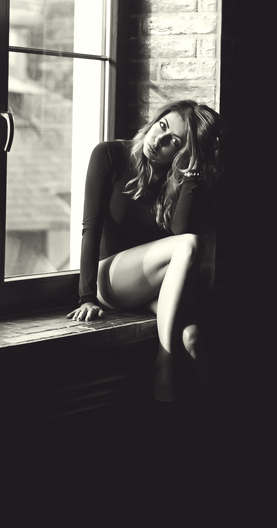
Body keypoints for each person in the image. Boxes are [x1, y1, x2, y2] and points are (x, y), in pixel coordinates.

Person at [66, 100, 227, 402]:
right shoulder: (110, 154)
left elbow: (178, 231)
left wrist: (190, 175)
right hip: (110, 278)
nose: (159, 140)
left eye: (173, 142)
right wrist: (86, 297)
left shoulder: (175, 178)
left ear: (182, 152)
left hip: (151, 284)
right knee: (191, 244)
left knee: (192, 338)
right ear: (154, 120)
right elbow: (91, 227)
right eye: (161, 127)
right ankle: (164, 363)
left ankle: (207, 423)